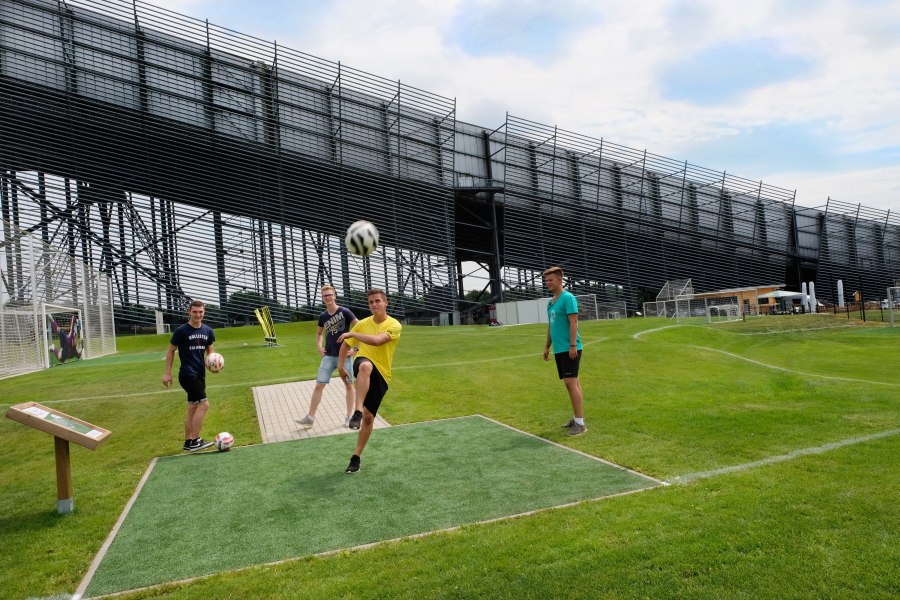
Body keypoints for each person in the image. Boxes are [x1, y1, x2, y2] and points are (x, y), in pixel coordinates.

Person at [337, 288, 402, 473]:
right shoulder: (363, 324)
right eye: (371, 302)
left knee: (369, 417)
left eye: (377, 301)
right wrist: (341, 367)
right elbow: (345, 344)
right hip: (363, 362)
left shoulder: (394, 325)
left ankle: (356, 457)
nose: (374, 304)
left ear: (385, 302)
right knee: (365, 366)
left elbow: (377, 341)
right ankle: (356, 411)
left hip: (383, 374)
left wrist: (353, 335)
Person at [297, 285, 358, 428]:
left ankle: (349, 417)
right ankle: (310, 417)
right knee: (319, 385)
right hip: (329, 356)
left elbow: (360, 327)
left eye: (330, 295)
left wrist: (356, 348)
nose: (328, 297)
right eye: (325, 296)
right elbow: (319, 334)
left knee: (349, 385)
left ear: (335, 296)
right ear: (322, 299)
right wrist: (319, 346)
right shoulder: (323, 316)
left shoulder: (345, 312)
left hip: (345, 356)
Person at [163, 300, 217, 452]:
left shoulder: (208, 331)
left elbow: (210, 354)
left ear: (204, 312)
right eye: (195, 312)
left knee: (193, 407)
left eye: (200, 312)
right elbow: (170, 351)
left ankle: (188, 442)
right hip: (187, 374)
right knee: (204, 404)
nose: (198, 314)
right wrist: (167, 373)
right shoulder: (182, 331)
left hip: (200, 374)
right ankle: (196, 440)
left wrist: (213, 365)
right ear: (189, 312)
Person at [542, 266, 586, 436]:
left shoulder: (568, 298)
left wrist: (573, 345)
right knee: (573, 384)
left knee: (570, 384)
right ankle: (577, 418)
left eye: (550, 280)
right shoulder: (550, 302)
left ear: (560, 280)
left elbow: (574, 323)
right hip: (559, 349)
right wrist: (547, 346)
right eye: (546, 280)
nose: (548, 283)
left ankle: (580, 424)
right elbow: (551, 326)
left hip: (570, 348)